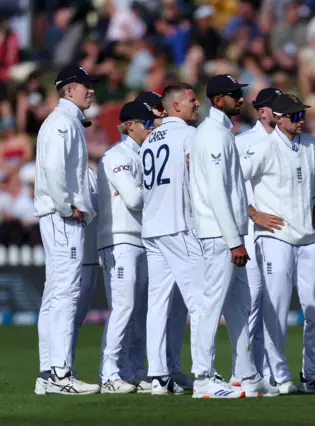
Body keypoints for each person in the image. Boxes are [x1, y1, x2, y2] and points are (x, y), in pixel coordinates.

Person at [239, 93, 315, 394]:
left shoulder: (310, 144)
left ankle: (312, 376)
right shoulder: (264, 147)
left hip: (307, 238)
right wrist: (254, 213)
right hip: (275, 238)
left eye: (302, 114)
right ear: (279, 118)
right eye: (295, 115)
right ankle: (279, 376)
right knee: (278, 306)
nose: (301, 120)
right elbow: (234, 179)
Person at [190, 74, 276, 398]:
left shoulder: (221, 133)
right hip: (220, 236)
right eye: (234, 95)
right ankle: (203, 378)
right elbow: (216, 193)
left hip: (229, 234)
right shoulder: (212, 136)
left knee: (240, 308)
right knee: (212, 306)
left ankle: (247, 374)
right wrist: (234, 241)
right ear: (217, 100)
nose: (241, 99)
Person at [34, 64, 100, 395]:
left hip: (58, 216)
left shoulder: (65, 121)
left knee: (55, 293)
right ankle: (61, 373)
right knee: (66, 292)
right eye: (86, 85)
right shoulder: (62, 122)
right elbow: (54, 167)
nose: (91, 90)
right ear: (68, 89)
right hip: (63, 218)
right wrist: (66, 206)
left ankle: (49, 372)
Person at [140, 83, 204, 395]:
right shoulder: (190, 136)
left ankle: (157, 376)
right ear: (176, 106)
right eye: (192, 100)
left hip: (152, 227)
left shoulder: (149, 138)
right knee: (200, 300)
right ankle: (206, 374)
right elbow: (199, 179)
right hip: (179, 225)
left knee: (158, 304)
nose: (198, 105)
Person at [97, 101, 157, 393]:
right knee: (124, 307)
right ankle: (109, 373)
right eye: (147, 123)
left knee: (139, 311)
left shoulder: (145, 155)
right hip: (118, 239)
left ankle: (134, 371)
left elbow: (135, 195)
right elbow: (133, 199)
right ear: (130, 125)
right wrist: (157, 188)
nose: (151, 127)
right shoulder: (115, 155)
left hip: (141, 238)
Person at [230, 87, 285, 388]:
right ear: (262, 111)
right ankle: (242, 373)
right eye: (275, 107)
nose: (281, 112)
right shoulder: (242, 142)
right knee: (249, 306)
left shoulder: (290, 142)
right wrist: (254, 215)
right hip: (250, 233)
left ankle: (262, 374)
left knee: (271, 308)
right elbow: (234, 187)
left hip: (278, 236)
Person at [71, 166, 99, 368]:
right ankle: (57, 370)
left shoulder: (89, 171)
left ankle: (62, 368)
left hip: (90, 253)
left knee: (76, 320)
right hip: (75, 254)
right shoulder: (71, 170)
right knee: (68, 316)